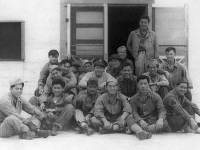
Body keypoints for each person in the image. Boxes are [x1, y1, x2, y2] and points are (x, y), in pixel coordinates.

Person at [127, 75, 171, 140]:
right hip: (141, 121)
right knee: (129, 120)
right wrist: (140, 120)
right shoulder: (133, 99)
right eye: (141, 84)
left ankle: (139, 131)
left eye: (145, 83)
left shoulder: (155, 96)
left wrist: (161, 118)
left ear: (148, 85)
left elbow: (162, 109)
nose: (143, 86)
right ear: (137, 85)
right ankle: (144, 132)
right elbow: (134, 112)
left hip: (153, 120)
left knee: (164, 123)